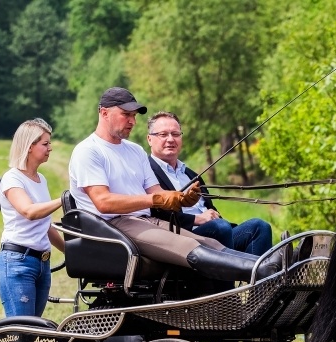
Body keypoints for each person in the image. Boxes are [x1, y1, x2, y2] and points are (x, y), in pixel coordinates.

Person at [68, 87, 282, 283]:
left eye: (133, 116)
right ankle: (268, 270)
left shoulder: (135, 150)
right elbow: (104, 202)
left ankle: (272, 267)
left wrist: (180, 199)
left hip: (145, 220)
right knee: (190, 247)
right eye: (126, 114)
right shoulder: (89, 150)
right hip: (112, 227)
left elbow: (157, 192)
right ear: (104, 113)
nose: (132, 121)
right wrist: (157, 199)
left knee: (212, 245)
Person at [147, 111, 273, 256]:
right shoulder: (148, 172)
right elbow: (157, 215)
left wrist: (213, 216)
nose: (170, 139)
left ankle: (265, 273)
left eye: (175, 134)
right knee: (220, 227)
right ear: (150, 139)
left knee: (259, 227)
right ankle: (271, 262)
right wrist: (198, 219)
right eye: (163, 135)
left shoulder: (191, 175)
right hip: (184, 239)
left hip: (217, 232)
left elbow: (211, 209)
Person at [0, 118, 65, 317]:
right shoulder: (12, 179)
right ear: (29, 147)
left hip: (42, 264)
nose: (50, 148)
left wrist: (69, 251)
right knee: (22, 331)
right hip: (19, 262)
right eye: (45, 143)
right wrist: (62, 199)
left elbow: (45, 224)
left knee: (34, 331)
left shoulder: (40, 179)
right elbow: (30, 211)